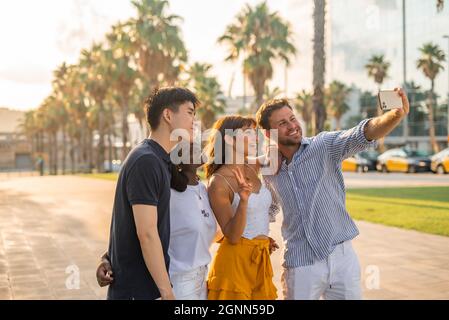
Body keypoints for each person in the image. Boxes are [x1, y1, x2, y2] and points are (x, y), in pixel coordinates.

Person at [255, 88, 410, 300]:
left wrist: (394, 115)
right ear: (268, 133)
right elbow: (269, 206)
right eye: (282, 123)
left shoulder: (324, 145)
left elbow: (362, 133)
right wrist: (259, 235)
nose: (292, 126)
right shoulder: (268, 167)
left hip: (342, 258)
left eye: (292, 118)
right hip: (300, 263)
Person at [102, 87, 198, 300]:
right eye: (190, 112)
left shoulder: (158, 159)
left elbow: (126, 223)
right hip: (137, 291)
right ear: (168, 115)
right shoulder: (147, 160)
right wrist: (167, 292)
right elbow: (146, 233)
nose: (194, 121)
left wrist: (107, 257)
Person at [97, 142, 218, 300]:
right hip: (178, 283)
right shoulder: (168, 195)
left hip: (203, 280)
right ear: (179, 162)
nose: (196, 147)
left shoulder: (203, 189)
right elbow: (142, 232)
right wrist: (106, 258)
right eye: (189, 148)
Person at [205, 115, 279, 300]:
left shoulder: (254, 164)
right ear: (229, 139)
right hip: (234, 265)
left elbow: (280, 152)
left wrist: (260, 238)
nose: (255, 137)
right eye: (248, 132)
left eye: (255, 132)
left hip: (260, 258)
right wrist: (244, 201)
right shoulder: (218, 183)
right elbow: (232, 234)